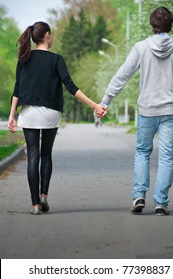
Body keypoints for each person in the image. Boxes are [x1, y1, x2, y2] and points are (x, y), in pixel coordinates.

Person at [8, 21, 107, 215]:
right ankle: (44, 195)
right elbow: (70, 87)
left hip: (29, 113)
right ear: (47, 35)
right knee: (46, 154)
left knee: (33, 156)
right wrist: (94, 104)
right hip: (50, 114)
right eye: (51, 35)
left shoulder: (24, 59)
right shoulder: (56, 60)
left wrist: (12, 115)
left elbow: (17, 90)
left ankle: (35, 204)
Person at [100, 7, 173, 215]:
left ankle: (139, 196)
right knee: (166, 156)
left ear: (152, 25)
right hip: (171, 111)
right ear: (171, 25)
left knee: (142, 152)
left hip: (147, 110)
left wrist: (106, 100)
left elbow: (122, 74)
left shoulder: (141, 47)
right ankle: (161, 203)